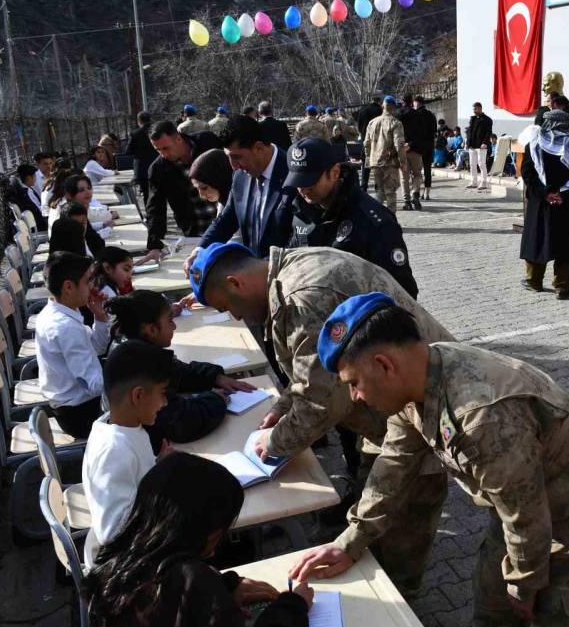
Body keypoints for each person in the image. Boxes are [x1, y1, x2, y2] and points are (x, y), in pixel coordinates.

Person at [290, 294, 569, 627]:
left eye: (354, 383)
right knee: (494, 617)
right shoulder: (417, 381)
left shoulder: (481, 416)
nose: (354, 397)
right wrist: (352, 541)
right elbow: (394, 465)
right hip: (519, 507)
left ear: (384, 365)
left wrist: (525, 584)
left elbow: (527, 517)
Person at [188, 243, 452, 594]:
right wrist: (281, 410)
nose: (236, 317)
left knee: (401, 525)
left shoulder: (302, 297)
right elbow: (313, 374)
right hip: (392, 412)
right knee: (375, 510)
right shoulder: (289, 272)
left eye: (227, 307)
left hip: (421, 417)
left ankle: (402, 610)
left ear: (235, 283)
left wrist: (276, 441)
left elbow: (325, 401)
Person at [84, 452, 312, 627]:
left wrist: (226, 587)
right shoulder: (192, 580)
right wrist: (293, 606)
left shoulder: (123, 559)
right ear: (208, 530)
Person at [107, 290, 255, 454]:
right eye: (170, 320)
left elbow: (179, 371)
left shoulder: (137, 351)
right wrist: (217, 399)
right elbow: (181, 423)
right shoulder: (140, 367)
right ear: (151, 330)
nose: (175, 325)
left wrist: (215, 377)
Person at [283, 138, 419, 298]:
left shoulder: (373, 221)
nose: (303, 190)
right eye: (298, 182)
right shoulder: (300, 212)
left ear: (334, 173)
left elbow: (402, 293)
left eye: (310, 183)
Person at [81, 339, 173, 567]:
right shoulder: (115, 450)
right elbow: (113, 533)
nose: (164, 402)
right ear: (138, 396)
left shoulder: (120, 427)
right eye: (162, 393)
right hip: (126, 568)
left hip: (139, 548)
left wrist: (158, 466)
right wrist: (160, 484)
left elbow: (134, 483)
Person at [190, 115, 295, 264]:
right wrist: (200, 250)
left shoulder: (292, 174)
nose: (233, 166)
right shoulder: (240, 175)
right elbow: (227, 219)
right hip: (253, 274)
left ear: (258, 148)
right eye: (229, 157)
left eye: (237, 157)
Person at [35, 251, 110, 439]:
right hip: (81, 415)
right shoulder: (65, 327)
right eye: (87, 281)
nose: (92, 286)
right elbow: (93, 385)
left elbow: (96, 348)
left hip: (73, 407)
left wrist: (100, 318)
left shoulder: (58, 311)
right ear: (68, 287)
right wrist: (132, 375)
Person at [519, 110, 569, 299]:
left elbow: (528, 173)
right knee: (567, 244)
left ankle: (534, 281)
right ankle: (563, 286)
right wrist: (561, 192)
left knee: (538, 240)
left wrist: (546, 192)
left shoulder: (535, 143)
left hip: (542, 204)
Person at [138, 121, 222, 263]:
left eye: (166, 148)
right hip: (196, 230)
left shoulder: (207, 142)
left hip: (226, 220)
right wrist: (154, 246)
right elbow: (155, 207)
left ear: (178, 138)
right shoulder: (158, 168)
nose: (163, 154)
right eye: (158, 150)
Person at [364, 95, 408, 212]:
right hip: (389, 162)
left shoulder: (372, 123)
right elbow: (399, 144)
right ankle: (391, 220)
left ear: (383, 106)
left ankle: (376, 219)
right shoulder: (396, 123)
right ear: (393, 108)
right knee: (390, 192)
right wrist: (403, 162)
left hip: (375, 162)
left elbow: (366, 143)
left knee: (379, 192)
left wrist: (369, 158)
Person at [398, 93, 427, 211]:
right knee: (417, 174)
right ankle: (415, 192)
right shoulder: (418, 114)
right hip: (415, 149)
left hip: (402, 149)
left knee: (404, 177)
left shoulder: (398, 114)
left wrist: (403, 145)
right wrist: (411, 144)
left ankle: (407, 201)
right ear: (411, 102)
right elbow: (422, 133)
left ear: (402, 101)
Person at [123, 111, 158, 203]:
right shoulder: (157, 131)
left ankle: (149, 215)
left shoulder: (135, 134)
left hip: (142, 168)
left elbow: (128, 151)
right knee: (159, 193)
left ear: (139, 121)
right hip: (158, 165)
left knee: (147, 194)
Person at [188, 148, 234, 214]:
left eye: (204, 188)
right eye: (197, 189)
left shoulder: (245, 205)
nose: (201, 195)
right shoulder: (224, 205)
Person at [8, 163, 48, 230]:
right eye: (34, 176)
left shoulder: (24, 191)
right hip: (41, 225)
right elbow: (39, 210)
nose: (36, 178)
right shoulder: (28, 192)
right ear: (29, 178)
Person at [413, 96, 437, 200]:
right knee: (428, 169)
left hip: (418, 146)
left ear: (417, 103)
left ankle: (416, 192)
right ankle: (427, 193)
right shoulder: (431, 115)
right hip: (429, 145)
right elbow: (435, 130)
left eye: (414, 103)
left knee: (416, 170)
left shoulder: (415, 115)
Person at [357, 96, 384, 191]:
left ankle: (364, 187)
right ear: (379, 101)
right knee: (378, 165)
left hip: (366, 141)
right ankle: (378, 187)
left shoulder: (363, 110)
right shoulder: (380, 110)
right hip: (378, 141)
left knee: (366, 164)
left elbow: (359, 127)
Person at [466, 102, 493, 190]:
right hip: (472, 145)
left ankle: (483, 182)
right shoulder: (472, 119)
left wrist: (485, 142)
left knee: (481, 164)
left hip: (481, 145)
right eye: (473, 109)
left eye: (475, 109)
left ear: (480, 108)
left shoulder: (487, 119)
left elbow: (489, 132)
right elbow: (470, 131)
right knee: (472, 164)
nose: (474, 111)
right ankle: (473, 182)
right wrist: (467, 141)